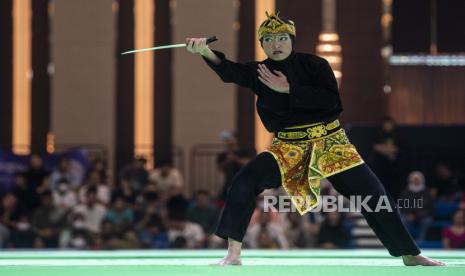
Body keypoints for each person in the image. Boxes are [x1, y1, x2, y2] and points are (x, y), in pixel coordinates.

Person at [186, 12, 444, 266]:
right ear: (262, 43)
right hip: (288, 148)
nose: (275, 45)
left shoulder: (316, 65)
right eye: (268, 39)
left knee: (373, 194)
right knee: (244, 181)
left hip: (331, 142)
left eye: (282, 38)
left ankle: (410, 253)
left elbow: (331, 101)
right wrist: (205, 52)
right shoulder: (259, 71)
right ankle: (233, 254)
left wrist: (288, 89)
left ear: (292, 40)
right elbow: (231, 71)